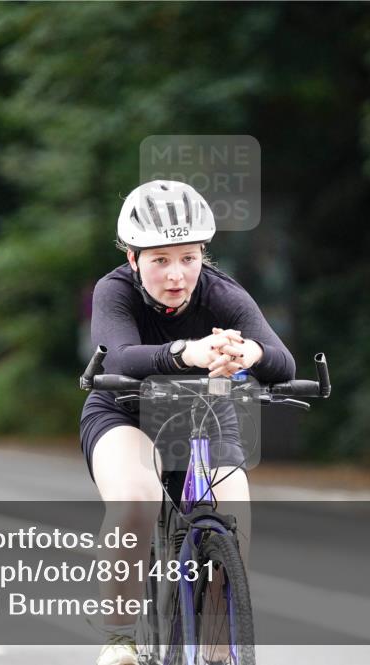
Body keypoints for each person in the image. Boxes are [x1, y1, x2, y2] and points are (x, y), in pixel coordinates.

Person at [81, 180, 295, 665]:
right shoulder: (113, 290)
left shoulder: (222, 293)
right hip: (124, 413)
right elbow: (121, 357)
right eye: (160, 260)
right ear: (134, 258)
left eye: (189, 257)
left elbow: (282, 361)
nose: (177, 275)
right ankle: (119, 639)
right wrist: (187, 353)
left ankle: (218, 653)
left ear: (204, 255)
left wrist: (248, 352)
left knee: (234, 514)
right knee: (136, 498)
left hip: (204, 415)